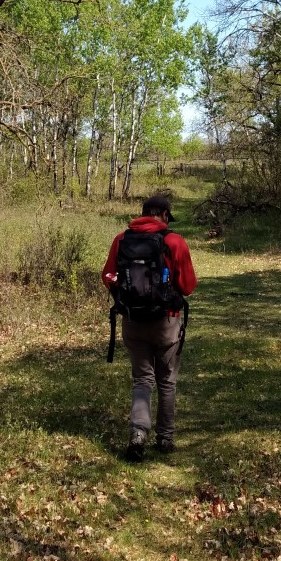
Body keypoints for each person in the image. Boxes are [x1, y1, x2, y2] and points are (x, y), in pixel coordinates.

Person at [102, 194, 198, 461]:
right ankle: (165, 438)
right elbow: (188, 286)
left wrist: (126, 296)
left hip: (133, 321)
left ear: (143, 212)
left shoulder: (122, 240)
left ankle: (138, 434)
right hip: (166, 322)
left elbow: (108, 276)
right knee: (166, 381)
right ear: (165, 215)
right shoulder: (174, 241)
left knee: (142, 380)